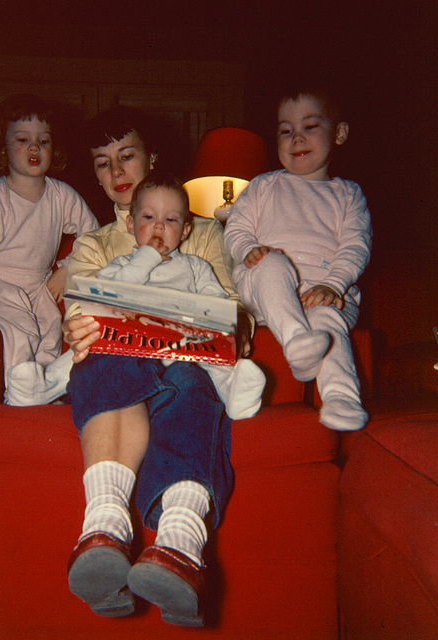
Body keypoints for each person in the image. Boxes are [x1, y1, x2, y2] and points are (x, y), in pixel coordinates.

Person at [60, 106, 254, 627]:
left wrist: (220, 333)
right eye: (102, 163)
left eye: (126, 156)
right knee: (103, 356)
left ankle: (181, 547)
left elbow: (234, 310)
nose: (116, 172)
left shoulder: (204, 237)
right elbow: (79, 308)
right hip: (117, 366)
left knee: (191, 381)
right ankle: (101, 531)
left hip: (185, 363)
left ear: (152, 158)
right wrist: (78, 330)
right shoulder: (97, 243)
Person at [7, 172, 265, 419]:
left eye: (171, 220)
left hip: (180, 345)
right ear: (131, 224)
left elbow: (216, 305)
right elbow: (106, 298)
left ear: (186, 230)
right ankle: (40, 388)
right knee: (82, 355)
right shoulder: (121, 264)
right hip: (127, 344)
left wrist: (214, 325)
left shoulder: (196, 266)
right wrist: (147, 258)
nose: (160, 226)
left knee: (213, 359)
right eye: (149, 217)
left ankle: (234, 393)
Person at [224, 86, 372, 431]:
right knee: (272, 264)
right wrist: (248, 249)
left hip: (325, 289)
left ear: (339, 133)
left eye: (310, 127)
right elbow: (236, 228)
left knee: (327, 318)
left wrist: (333, 285)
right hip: (267, 290)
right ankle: (296, 343)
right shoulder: (263, 186)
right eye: (285, 131)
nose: (296, 139)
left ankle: (341, 400)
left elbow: (355, 247)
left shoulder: (348, 195)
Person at [0, 94, 98, 397]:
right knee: (18, 333)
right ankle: (14, 394)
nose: (34, 147)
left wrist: (66, 269)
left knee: (50, 334)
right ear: (2, 147)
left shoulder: (62, 196)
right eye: (22, 139)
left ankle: (40, 394)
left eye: (43, 141)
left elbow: (93, 236)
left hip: (38, 286)